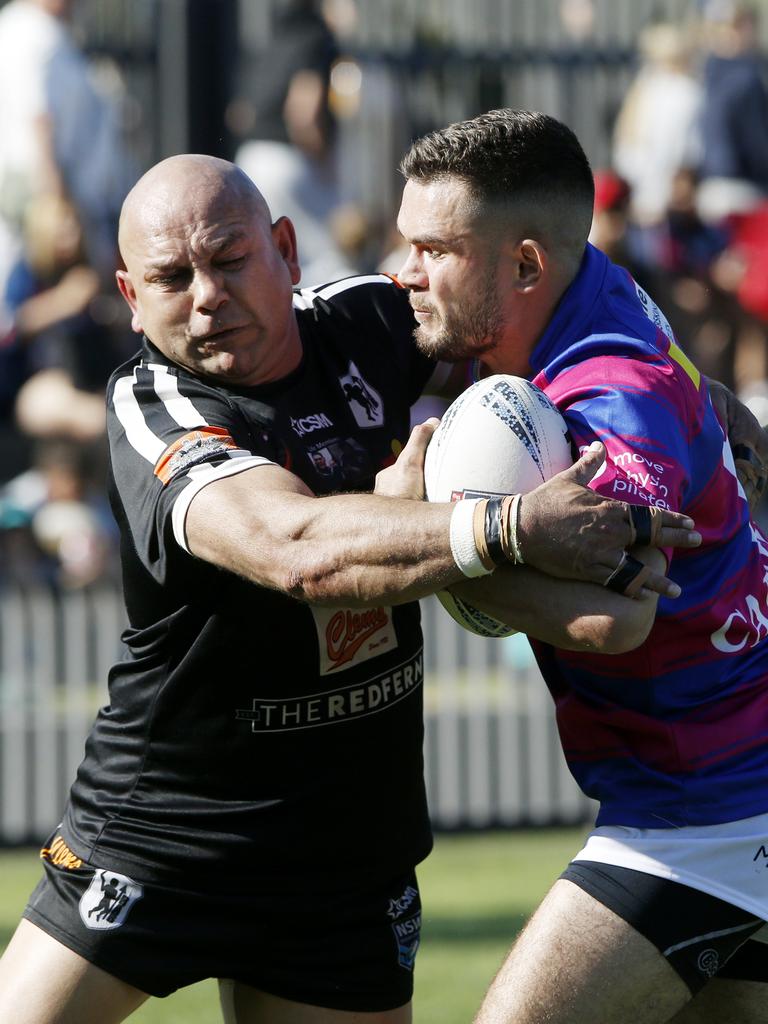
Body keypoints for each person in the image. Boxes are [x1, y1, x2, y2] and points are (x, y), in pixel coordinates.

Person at [0, 152, 706, 1024]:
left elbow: (540, 294)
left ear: (287, 251)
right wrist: (511, 526)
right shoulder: (156, 405)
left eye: (229, 259)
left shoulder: (369, 321)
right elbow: (294, 549)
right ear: (129, 295)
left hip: (343, 857)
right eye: (171, 278)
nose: (207, 294)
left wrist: (693, 397)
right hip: (168, 832)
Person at [393, 108, 768, 1024]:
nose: (405, 272)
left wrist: (429, 541)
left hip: (712, 807)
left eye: (434, 249)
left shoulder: (610, 401)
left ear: (525, 263)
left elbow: (616, 619)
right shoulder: (603, 289)